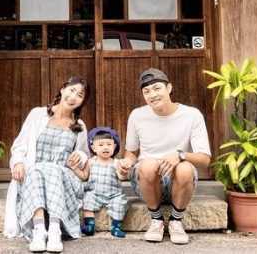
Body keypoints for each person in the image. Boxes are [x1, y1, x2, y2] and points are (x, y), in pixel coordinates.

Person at [118, 68, 211, 245]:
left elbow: (205, 159)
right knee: (147, 165)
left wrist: (180, 155)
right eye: (146, 91)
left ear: (169, 88)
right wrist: (126, 163)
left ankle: (176, 221)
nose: (152, 94)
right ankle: (156, 220)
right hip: (147, 182)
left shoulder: (191, 115)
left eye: (157, 88)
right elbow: (131, 153)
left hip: (180, 183)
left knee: (184, 168)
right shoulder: (137, 115)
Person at [3, 77, 91, 253]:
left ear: (82, 101)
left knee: (50, 169)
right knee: (36, 170)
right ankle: (39, 231)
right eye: (71, 90)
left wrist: (79, 156)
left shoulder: (79, 126)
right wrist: (18, 162)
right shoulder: (38, 114)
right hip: (34, 175)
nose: (73, 97)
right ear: (62, 89)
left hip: (64, 179)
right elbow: (20, 144)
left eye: (79, 95)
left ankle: (54, 230)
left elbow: (84, 156)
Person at [72, 127, 127, 239]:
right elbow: (84, 176)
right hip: (94, 193)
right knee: (87, 199)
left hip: (113, 194)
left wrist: (122, 172)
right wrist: (75, 169)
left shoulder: (116, 163)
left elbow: (121, 177)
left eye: (109, 144)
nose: (105, 147)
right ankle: (89, 225)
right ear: (93, 148)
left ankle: (116, 226)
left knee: (120, 202)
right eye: (101, 145)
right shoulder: (91, 162)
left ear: (115, 146)